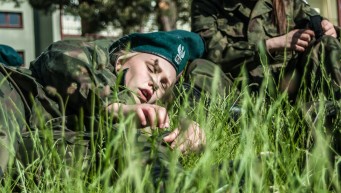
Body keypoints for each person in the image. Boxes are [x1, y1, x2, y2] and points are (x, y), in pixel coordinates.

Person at [0, 30, 206, 187]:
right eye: (152, 69)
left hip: (39, 140)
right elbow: (62, 60)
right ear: (122, 61)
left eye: (163, 84)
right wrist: (112, 105)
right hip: (13, 97)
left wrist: (189, 128)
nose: (154, 84)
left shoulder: (145, 110)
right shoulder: (91, 58)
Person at [189, 0, 341, 176]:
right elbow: (210, 50)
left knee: (327, 45)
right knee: (200, 67)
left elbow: (318, 23)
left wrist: (330, 30)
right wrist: (269, 45)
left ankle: (332, 122)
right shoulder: (207, 4)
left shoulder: (287, 3)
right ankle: (195, 138)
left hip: (288, 91)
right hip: (237, 94)